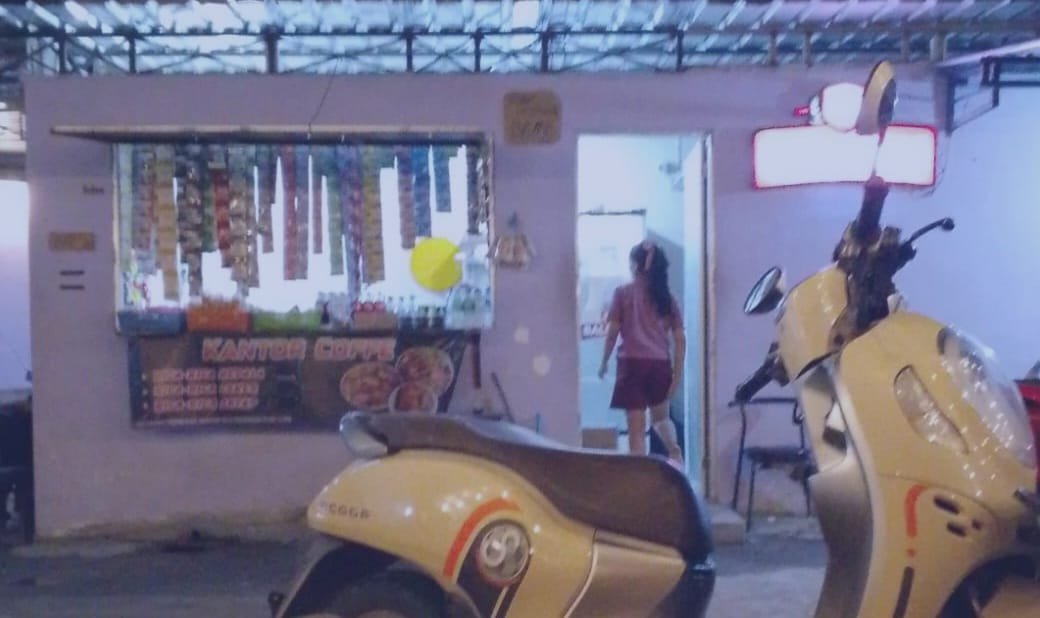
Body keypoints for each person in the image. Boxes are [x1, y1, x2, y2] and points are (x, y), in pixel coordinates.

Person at [598, 240, 685, 464]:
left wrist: (604, 361)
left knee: (636, 429)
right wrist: (677, 373)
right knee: (661, 418)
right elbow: (679, 338)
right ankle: (674, 449)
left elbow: (612, 332)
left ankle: (639, 472)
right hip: (660, 364)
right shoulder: (667, 299)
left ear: (635, 265)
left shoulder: (623, 293)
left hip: (631, 365)